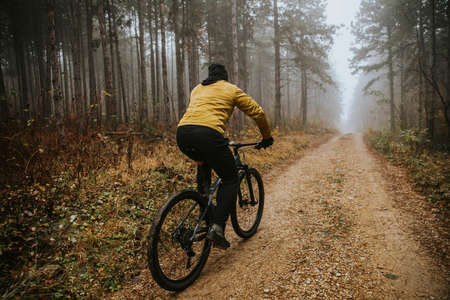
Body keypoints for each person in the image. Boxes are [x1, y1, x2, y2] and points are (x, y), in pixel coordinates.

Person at [176, 63, 273, 249]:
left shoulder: (197, 89)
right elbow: (258, 112)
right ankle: (217, 228)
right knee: (230, 180)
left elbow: (202, 114)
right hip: (209, 135)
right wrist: (267, 136)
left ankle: (204, 209)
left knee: (203, 166)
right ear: (225, 77)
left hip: (183, 134)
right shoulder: (230, 89)